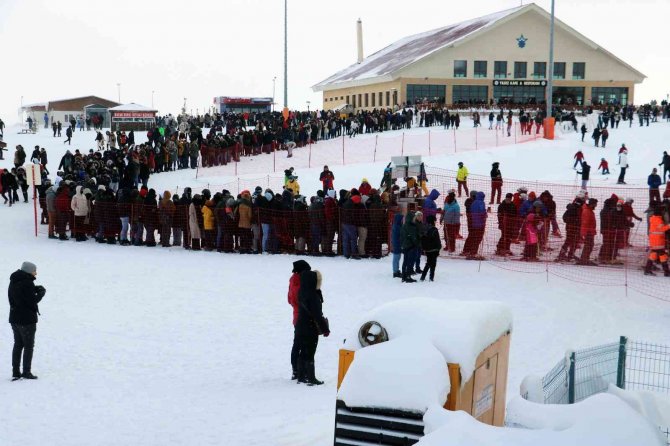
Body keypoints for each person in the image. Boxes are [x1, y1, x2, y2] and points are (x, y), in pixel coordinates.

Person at [8, 261, 46, 380]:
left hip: (14, 318)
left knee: (18, 345)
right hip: (26, 320)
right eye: (34, 270)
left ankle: (15, 372)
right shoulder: (27, 283)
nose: (36, 273)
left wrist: (34, 288)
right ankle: (26, 372)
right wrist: (41, 293)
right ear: (29, 271)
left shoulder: (14, 280)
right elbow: (31, 302)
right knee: (28, 346)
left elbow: (21, 294)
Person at [295, 269, 329, 385]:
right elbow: (317, 315)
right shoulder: (313, 296)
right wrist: (325, 329)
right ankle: (311, 378)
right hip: (310, 327)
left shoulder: (301, 292)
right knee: (310, 352)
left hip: (300, 325)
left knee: (302, 351)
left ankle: (301, 376)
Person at [288, 260, 311, 380]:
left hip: (297, 316)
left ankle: (296, 370)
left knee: (297, 344)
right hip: (301, 317)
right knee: (300, 344)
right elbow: (300, 299)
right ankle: (299, 371)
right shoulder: (298, 281)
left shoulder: (293, 280)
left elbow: (290, 299)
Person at [644, 205, 670, 276]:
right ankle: (666, 272)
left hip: (656, 241)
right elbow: (662, 229)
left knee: (654, 255)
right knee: (662, 255)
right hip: (657, 241)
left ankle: (647, 270)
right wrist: (669, 226)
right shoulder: (658, 220)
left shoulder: (655, 218)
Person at [401, 211, 421, 283]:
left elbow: (401, 237)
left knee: (405, 261)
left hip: (405, 246)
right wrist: (417, 244)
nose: (414, 219)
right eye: (414, 218)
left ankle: (404, 276)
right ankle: (408, 276)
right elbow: (414, 238)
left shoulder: (404, 225)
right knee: (410, 262)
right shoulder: (411, 226)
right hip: (411, 246)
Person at [420, 215, 441, 281]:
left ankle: (423, 276)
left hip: (427, 249)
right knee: (433, 263)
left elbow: (422, 239)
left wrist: (424, 248)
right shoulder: (434, 230)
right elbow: (437, 240)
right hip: (434, 249)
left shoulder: (424, 228)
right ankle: (431, 277)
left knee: (428, 262)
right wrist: (438, 248)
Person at [578, 198, 598, 266]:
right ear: (592, 204)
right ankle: (584, 259)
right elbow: (585, 223)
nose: (596, 206)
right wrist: (584, 233)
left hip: (590, 231)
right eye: (595, 204)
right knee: (589, 245)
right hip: (588, 231)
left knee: (589, 245)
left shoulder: (589, 210)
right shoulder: (587, 211)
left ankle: (585, 258)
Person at [391, 213, 404, 278]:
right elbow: (401, 234)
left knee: (397, 258)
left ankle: (396, 270)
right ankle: (395, 271)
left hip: (397, 243)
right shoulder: (397, 226)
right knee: (396, 258)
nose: (402, 220)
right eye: (401, 219)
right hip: (397, 243)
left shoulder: (397, 225)